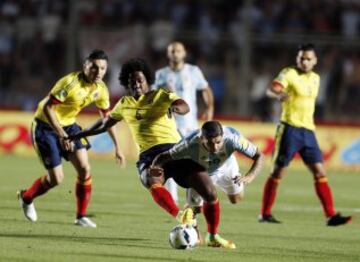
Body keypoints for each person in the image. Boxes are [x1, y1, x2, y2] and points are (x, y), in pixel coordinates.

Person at [69, 58, 235, 249]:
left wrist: (175, 108)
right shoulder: (124, 103)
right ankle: (181, 215)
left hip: (175, 151)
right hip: (150, 156)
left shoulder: (162, 95)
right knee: (151, 180)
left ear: (147, 80)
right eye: (132, 82)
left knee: (210, 191)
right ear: (127, 84)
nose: (137, 84)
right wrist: (80, 134)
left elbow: (184, 105)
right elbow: (105, 123)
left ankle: (212, 236)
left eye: (140, 80)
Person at [18, 49, 125, 228]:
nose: (98, 72)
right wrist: (62, 134)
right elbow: (47, 108)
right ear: (85, 66)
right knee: (56, 179)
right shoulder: (69, 83)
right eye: (94, 67)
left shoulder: (101, 90)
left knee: (84, 168)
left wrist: (118, 147)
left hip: (69, 126)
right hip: (45, 126)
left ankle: (81, 216)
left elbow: (107, 119)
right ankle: (26, 197)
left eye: (102, 68)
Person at [259, 43, 352, 226]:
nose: (305, 61)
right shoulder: (289, 73)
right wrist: (277, 94)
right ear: (297, 58)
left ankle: (331, 216)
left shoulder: (316, 78)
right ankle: (265, 214)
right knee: (278, 172)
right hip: (290, 129)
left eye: (309, 59)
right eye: (302, 58)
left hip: (308, 131)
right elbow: (273, 88)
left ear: (315, 61)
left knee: (320, 171)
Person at [151, 120, 263, 247]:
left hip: (227, 166)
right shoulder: (188, 144)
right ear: (201, 139)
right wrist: (155, 166)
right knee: (195, 209)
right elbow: (164, 157)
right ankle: (199, 235)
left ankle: (198, 223)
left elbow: (259, 156)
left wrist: (250, 176)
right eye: (209, 143)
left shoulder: (233, 139)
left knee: (236, 199)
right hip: (202, 173)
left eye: (218, 142)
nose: (215, 147)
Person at [154, 41, 214, 204]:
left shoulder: (193, 71)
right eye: (172, 51)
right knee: (171, 159)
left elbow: (205, 88)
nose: (175, 54)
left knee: (194, 160)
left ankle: (194, 197)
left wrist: (209, 107)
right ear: (168, 54)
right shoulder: (161, 74)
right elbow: (153, 95)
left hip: (190, 125)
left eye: (178, 51)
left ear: (184, 53)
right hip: (169, 125)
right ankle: (172, 198)